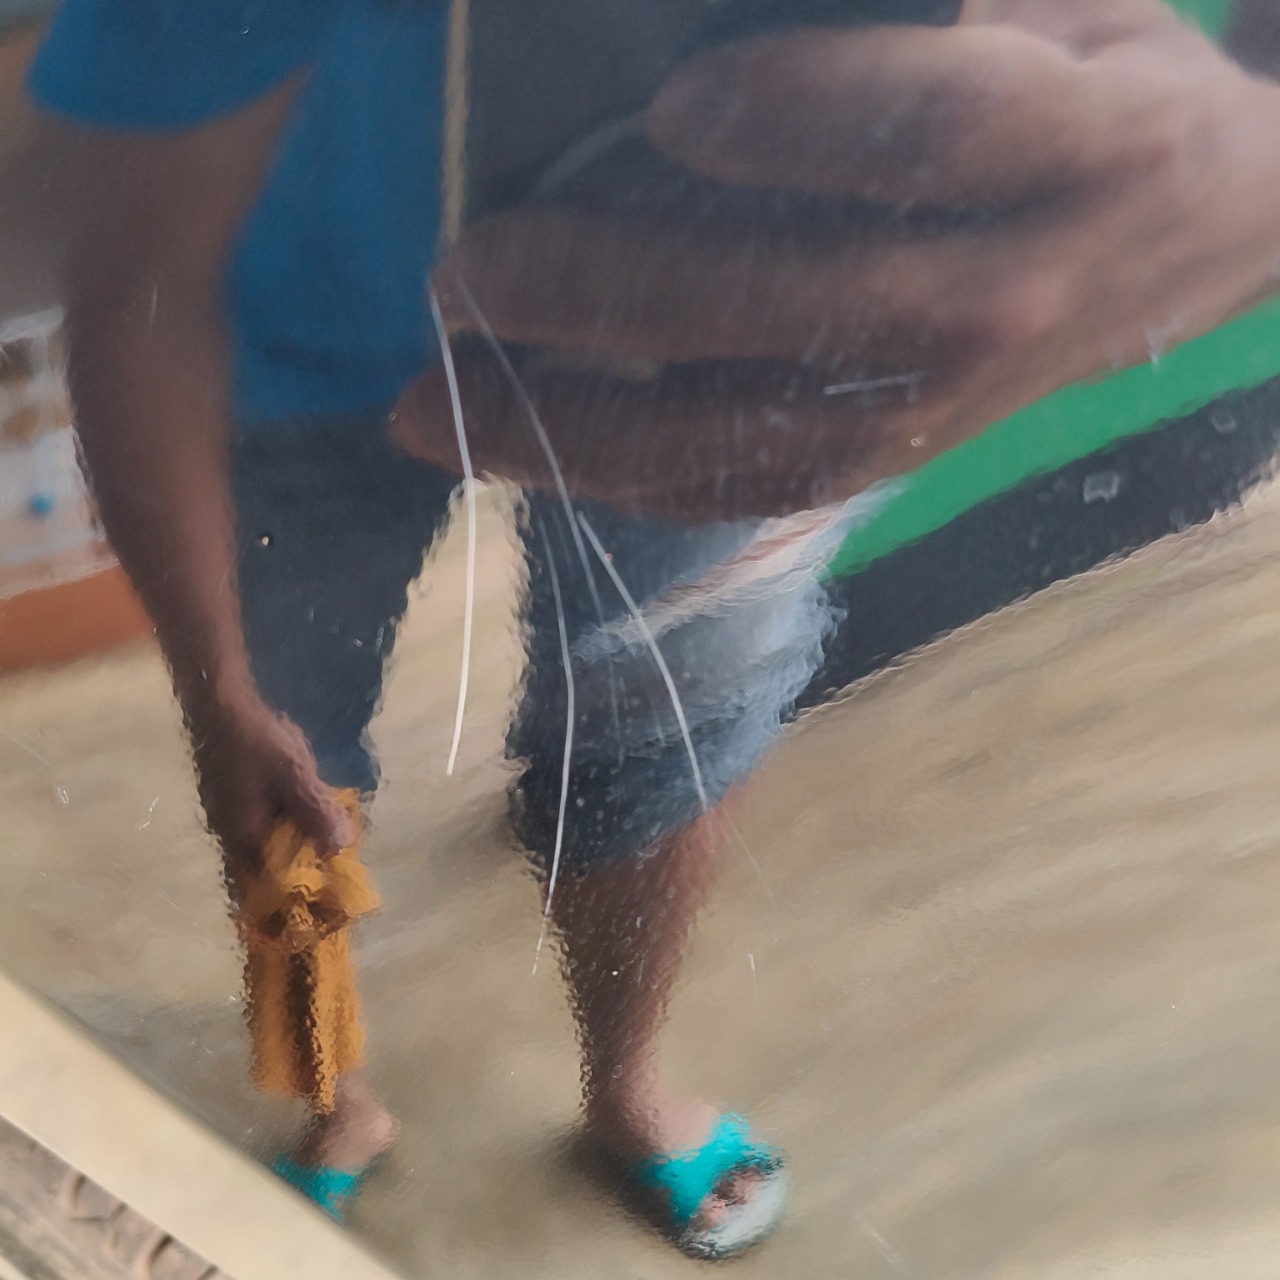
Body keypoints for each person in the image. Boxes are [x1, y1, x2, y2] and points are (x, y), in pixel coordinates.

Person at [28, 0, 1280, 1258]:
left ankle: (620, 1087)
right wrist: (216, 688)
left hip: (709, 328)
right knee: (278, 755)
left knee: (668, 735)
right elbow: (137, 292)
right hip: (309, 353)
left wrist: (1245, 159)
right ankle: (337, 1092)